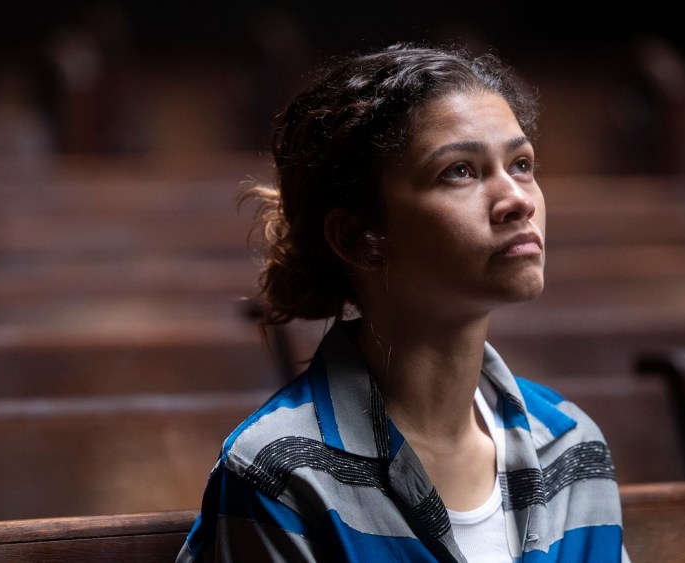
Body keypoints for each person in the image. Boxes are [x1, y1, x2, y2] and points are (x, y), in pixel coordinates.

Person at [177, 42, 629, 562]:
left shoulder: (569, 445)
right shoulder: (284, 473)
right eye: (459, 171)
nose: (518, 200)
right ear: (358, 238)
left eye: (521, 164)